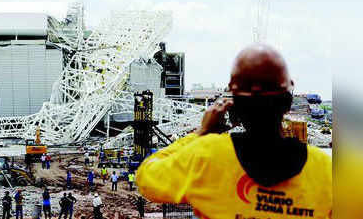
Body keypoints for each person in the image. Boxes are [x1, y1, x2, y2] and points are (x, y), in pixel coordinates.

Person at [135, 44, 332, 218]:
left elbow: (147, 177)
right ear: (287, 102)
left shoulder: (206, 157)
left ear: (235, 106)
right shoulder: (325, 171)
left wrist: (201, 133)